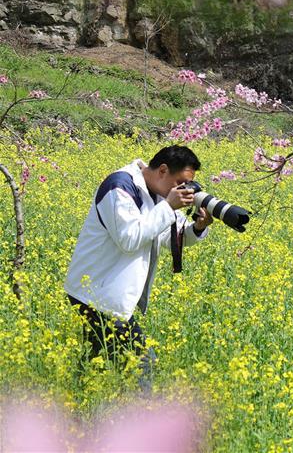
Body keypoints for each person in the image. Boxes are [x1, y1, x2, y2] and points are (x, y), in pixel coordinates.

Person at [64, 146, 214, 393]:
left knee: (95, 363)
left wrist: (197, 227)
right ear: (163, 170)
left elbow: (168, 236)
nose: (185, 190)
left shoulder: (157, 191)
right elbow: (130, 238)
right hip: (96, 295)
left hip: (105, 292)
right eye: (181, 183)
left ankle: (76, 411)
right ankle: (139, 421)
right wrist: (168, 207)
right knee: (142, 362)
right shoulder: (120, 187)